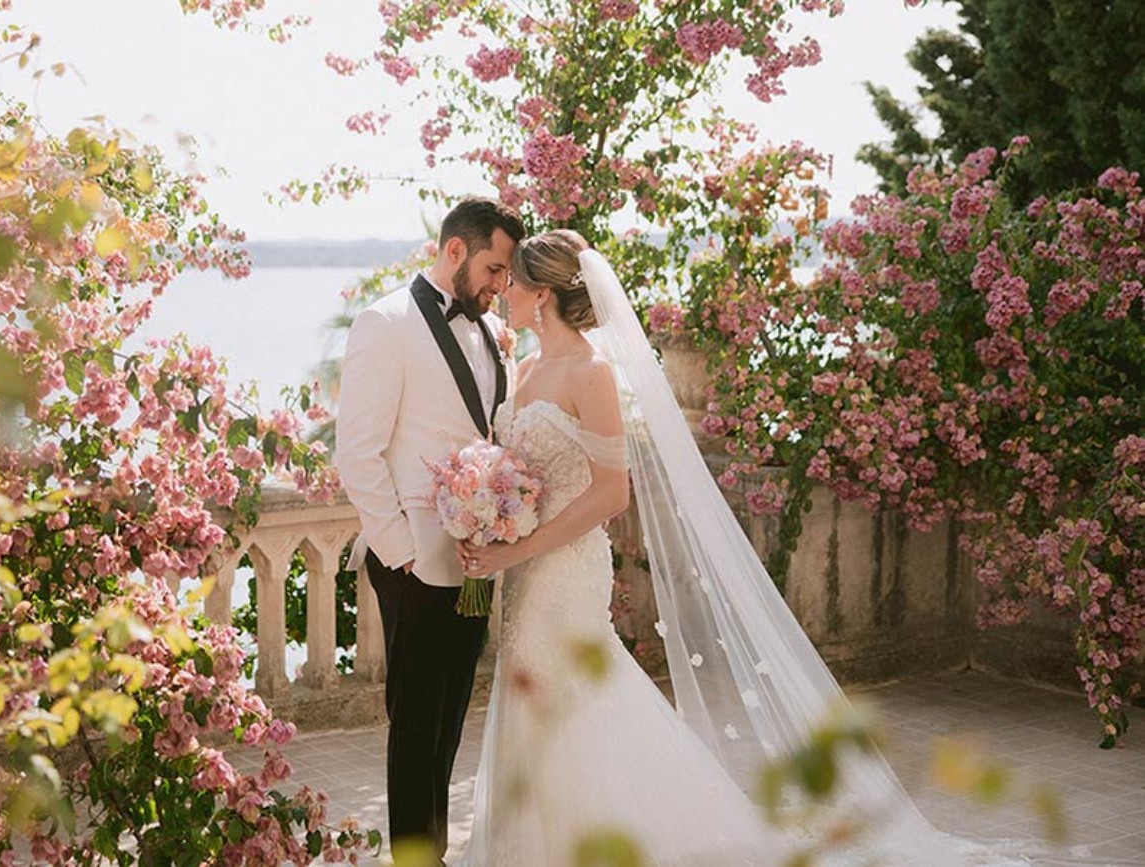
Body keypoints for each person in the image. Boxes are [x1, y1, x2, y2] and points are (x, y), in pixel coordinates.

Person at [455, 230, 1045, 866]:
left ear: (541, 293)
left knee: (575, 703)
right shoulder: (521, 368)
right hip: (522, 572)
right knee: (528, 699)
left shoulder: (590, 374)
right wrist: (488, 511)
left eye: (511, 281)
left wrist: (517, 549)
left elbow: (610, 494)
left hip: (563, 571)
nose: (502, 291)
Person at [334, 196, 525, 867]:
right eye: (495, 269)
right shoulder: (384, 322)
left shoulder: (488, 331)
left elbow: (487, 431)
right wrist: (405, 553)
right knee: (416, 723)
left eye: (506, 276)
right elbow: (356, 451)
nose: (502, 285)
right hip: (414, 558)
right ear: (455, 251)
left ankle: (434, 853)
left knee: (449, 719)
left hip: (475, 555)